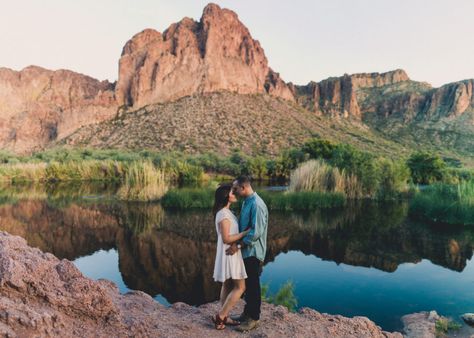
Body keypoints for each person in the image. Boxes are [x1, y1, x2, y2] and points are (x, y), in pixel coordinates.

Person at [227, 175, 268, 332]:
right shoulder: (247, 201)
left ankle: (254, 318)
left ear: (244, 188)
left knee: (253, 286)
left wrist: (237, 245)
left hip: (253, 252)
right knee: (248, 286)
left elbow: (255, 233)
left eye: (236, 189)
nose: (234, 191)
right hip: (247, 252)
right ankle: (247, 314)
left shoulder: (257, 205)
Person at [211, 184, 250, 330]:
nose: (235, 194)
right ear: (226, 196)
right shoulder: (223, 214)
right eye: (232, 192)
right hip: (230, 254)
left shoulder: (226, 212)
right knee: (240, 287)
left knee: (227, 284)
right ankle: (220, 317)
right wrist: (245, 233)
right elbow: (227, 238)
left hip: (229, 252)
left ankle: (224, 316)